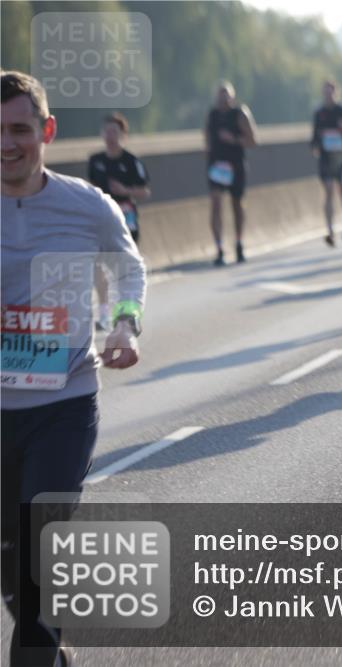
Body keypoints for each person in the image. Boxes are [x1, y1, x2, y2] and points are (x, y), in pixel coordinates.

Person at [2, 70, 147, 667]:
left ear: (47, 131)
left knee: (36, 542)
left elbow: (129, 273)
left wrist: (125, 321)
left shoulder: (88, 205)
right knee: (13, 563)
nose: (7, 144)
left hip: (63, 405)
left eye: (19, 130)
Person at [87, 112, 150, 330]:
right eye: (107, 131)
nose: (110, 136)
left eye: (114, 131)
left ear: (123, 134)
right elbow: (91, 188)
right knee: (96, 264)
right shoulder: (95, 161)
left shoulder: (131, 161)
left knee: (125, 269)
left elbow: (145, 190)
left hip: (127, 218)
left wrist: (126, 190)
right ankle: (104, 313)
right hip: (102, 218)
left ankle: (127, 313)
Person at [205, 80, 258, 266]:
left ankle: (238, 242)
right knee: (216, 203)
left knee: (237, 205)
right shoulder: (212, 115)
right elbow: (207, 139)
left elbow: (253, 140)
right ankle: (219, 248)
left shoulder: (240, 114)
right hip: (217, 167)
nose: (223, 99)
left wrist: (233, 139)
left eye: (226, 95)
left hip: (236, 166)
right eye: (220, 95)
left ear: (232, 97)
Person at [311, 80, 342, 246]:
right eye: (325, 92)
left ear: (336, 93)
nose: (328, 96)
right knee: (328, 193)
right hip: (326, 159)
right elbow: (314, 137)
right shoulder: (319, 114)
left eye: (331, 92)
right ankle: (330, 230)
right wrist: (315, 146)